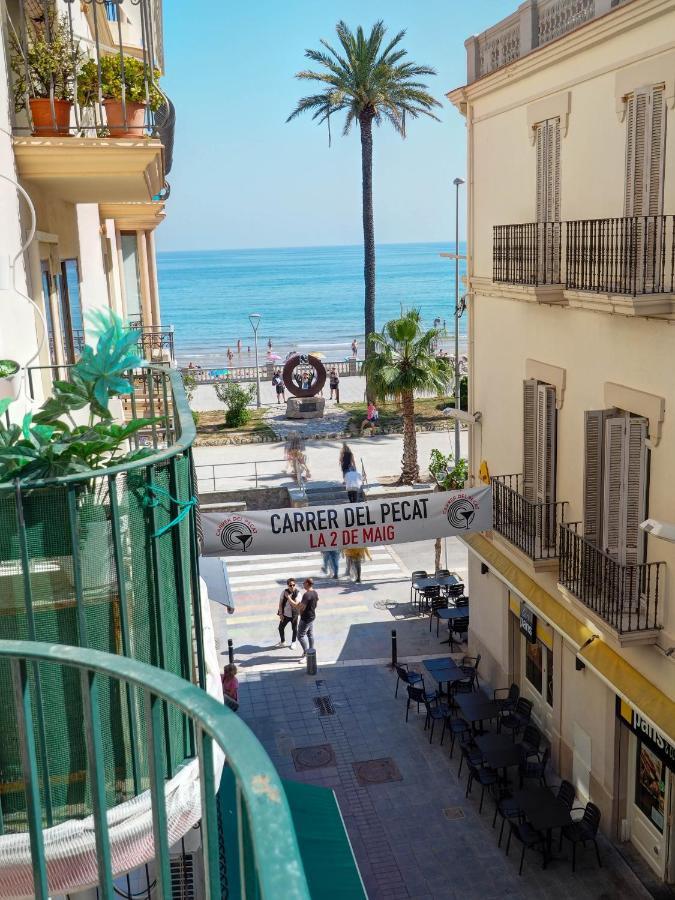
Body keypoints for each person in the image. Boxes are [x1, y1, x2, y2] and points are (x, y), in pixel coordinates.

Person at [291, 578, 319, 661]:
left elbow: (301, 607)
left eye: (304, 583)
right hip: (312, 616)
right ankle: (312, 651)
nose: (303, 584)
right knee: (310, 634)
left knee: (300, 636)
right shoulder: (315, 592)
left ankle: (307, 654)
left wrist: (291, 600)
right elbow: (317, 601)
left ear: (307, 583)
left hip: (305, 618)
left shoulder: (307, 595)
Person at [276, 578, 299, 648]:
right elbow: (280, 604)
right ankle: (283, 641)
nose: (292, 587)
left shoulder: (298, 593)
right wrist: (280, 614)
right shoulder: (284, 592)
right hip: (285, 615)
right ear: (288, 585)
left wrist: (288, 597)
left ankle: (293, 642)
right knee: (280, 628)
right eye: (290, 585)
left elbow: (295, 604)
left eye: (293, 585)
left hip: (294, 615)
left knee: (294, 629)